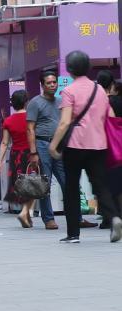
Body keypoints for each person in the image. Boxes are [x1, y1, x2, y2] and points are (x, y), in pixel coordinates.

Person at [49, 51, 122, 243]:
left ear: (70, 69)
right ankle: (114, 217)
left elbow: (64, 123)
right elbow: (111, 116)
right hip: (99, 145)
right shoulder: (100, 90)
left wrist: (53, 146)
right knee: (100, 185)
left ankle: (73, 234)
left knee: (71, 188)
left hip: (75, 145)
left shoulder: (69, 91)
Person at [27, 71, 95, 230]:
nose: (52, 85)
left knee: (69, 182)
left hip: (60, 146)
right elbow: (30, 129)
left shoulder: (61, 101)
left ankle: (77, 218)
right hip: (42, 145)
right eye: (48, 83)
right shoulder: (35, 103)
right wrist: (33, 152)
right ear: (42, 85)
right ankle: (48, 219)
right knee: (45, 184)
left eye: (54, 82)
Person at [0, 90, 35, 228]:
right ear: (26, 102)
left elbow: (5, 143)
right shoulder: (31, 117)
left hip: (16, 156)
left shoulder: (8, 121)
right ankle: (25, 212)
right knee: (34, 184)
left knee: (23, 185)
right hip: (31, 153)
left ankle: (27, 215)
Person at [96, 70, 122, 230]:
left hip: (101, 145)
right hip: (119, 145)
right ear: (112, 84)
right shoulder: (119, 101)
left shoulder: (98, 103)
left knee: (103, 182)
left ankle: (108, 217)